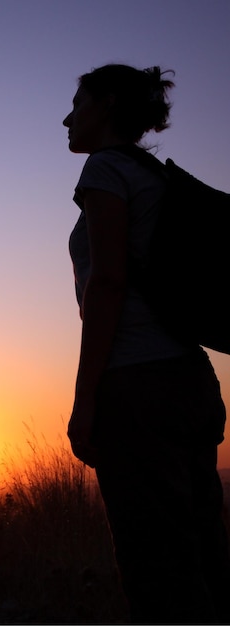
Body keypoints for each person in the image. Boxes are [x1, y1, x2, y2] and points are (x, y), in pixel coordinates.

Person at [63, 63, 230, 625]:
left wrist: (86, 399)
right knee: (206, 554)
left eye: (77, 102)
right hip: (191, 380)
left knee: (157, 569)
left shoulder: (105, 169)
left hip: (138, 386)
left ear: (106, 104)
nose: (67, 117)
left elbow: (107, 283)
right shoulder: (157, 178)